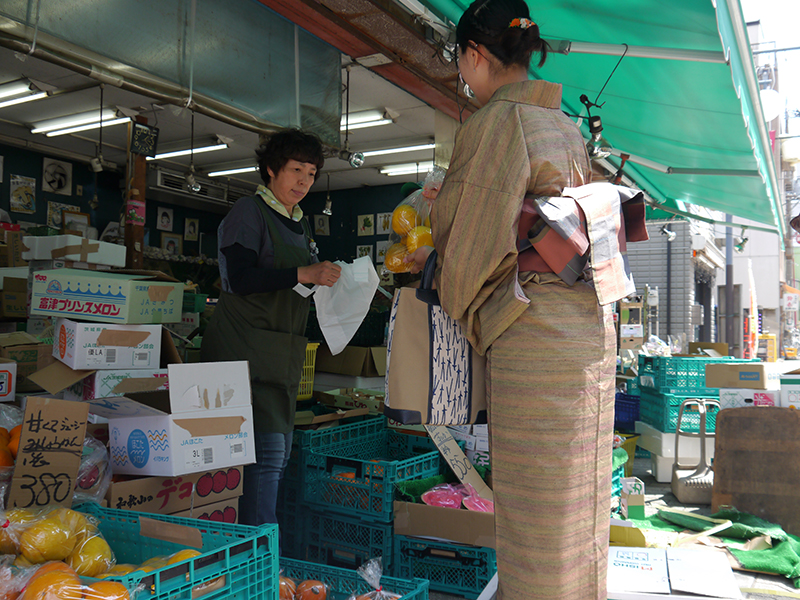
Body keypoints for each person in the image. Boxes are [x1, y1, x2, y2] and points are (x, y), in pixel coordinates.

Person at [405, 1, 638, 597]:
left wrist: (433, 258)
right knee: (577, 498)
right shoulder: (560, 123)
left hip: (536, 329)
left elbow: (470, 241)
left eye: (460, 60)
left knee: (537, 509)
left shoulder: (496, 123)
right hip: (585, 323)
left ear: (475, 54)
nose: (462, 74)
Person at [201, 128, 341, 528]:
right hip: (242, 353)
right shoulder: (249, 212)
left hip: (279, 355)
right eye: (296, 170)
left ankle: (261, 543)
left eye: (311, 174)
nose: (304, 181)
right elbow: (240, 278)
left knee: (274, 459)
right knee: (263, 459)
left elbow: (291, 283)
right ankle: (259, 546)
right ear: (271, 169)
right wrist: (304, 272)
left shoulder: (299, 223)